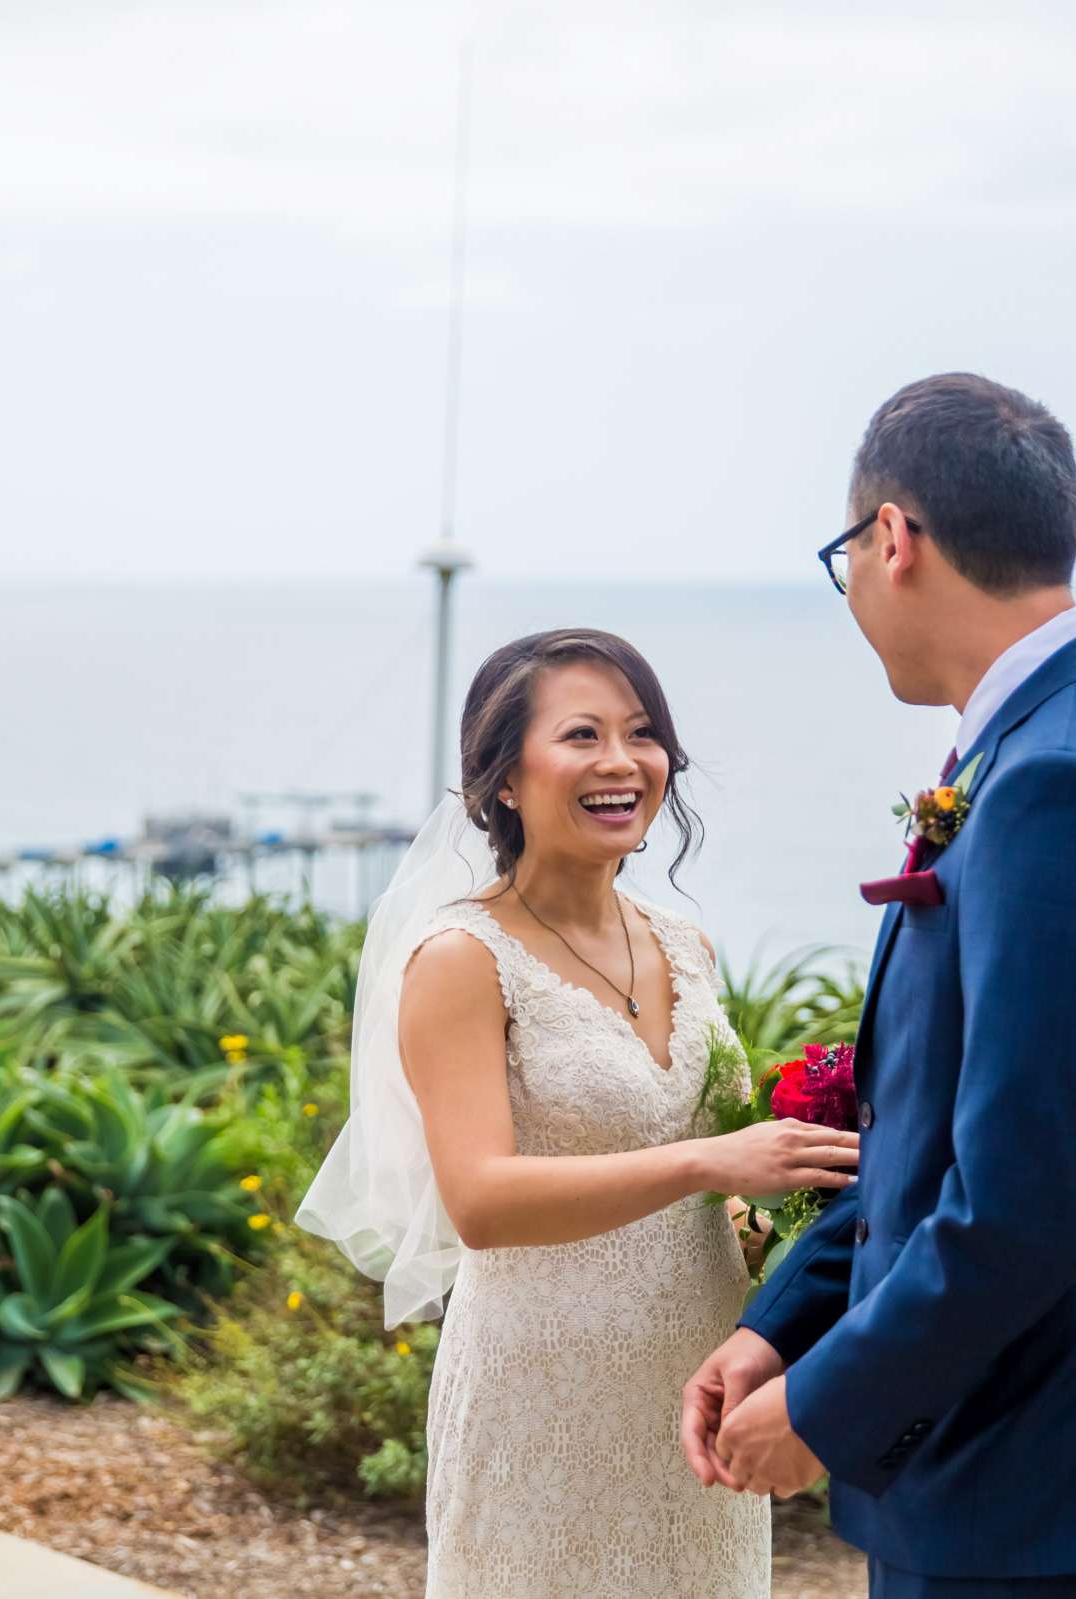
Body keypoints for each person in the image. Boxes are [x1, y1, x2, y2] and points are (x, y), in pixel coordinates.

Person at [683, 373, 1076, 1599]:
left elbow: (1025, 1204)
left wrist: (825, 1404)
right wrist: (778, 1326)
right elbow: (926, 1139)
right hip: (1028, 1479)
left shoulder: (1061, 784)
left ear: (895, 536)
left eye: (848, 558)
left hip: (1032, 1479)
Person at [299, 626, 859, 1598]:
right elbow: (481, 1200)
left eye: (641, 734)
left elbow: (709, 1171)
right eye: (583, 735)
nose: (622, 763)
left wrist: (775, 1228)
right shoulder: (461, 960)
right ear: (504, 780)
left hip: (696, 1378)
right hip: (542, 1397)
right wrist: (713, 1165)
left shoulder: (685, 943)